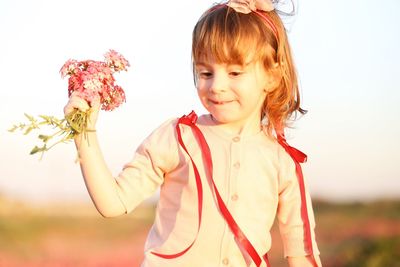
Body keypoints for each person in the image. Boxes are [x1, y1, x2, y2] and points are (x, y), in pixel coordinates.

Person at [64, 0, 322, 266]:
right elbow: (113, 203)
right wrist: (84, 134)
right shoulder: (177, 138)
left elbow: (302, 255)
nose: (216, 86)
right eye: (205, 72)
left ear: (272, 76)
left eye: (235, 72)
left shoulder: (284, 161)